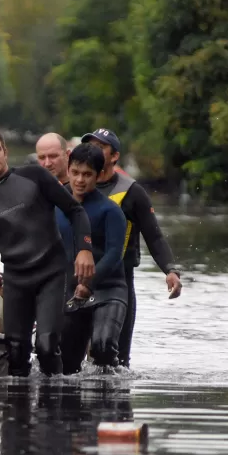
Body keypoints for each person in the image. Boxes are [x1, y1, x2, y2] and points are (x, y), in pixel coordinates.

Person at [0, 126, 95, 376]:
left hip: (51, 272)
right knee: (15, 354)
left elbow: (76, 211)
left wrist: (84, 249)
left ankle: (54, 406)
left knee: (46, 345)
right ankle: (20, 412)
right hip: (16, 279)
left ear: (5, 152)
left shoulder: (34, 177)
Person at [82, 128, 182, 368]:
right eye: (90, 145)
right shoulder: (78, 185)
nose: (93, 151)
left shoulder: (132, 192)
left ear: (114, 156)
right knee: (76, 360)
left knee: (114, 357)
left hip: (120, 282)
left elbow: (154, 236)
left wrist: (170, 269)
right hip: (79, 279)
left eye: (100, 147)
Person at [56, 144, 128, 373]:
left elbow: (115, 253)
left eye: (87, 175)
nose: (79, 180)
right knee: (65, 366)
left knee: (103, 347)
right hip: (71, 291)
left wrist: (89, 284)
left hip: (108, 290)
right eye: (75, 173)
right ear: (67, 170)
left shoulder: (111, 211)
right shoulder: (55, 206)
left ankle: (111, 393)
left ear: (98, 176)